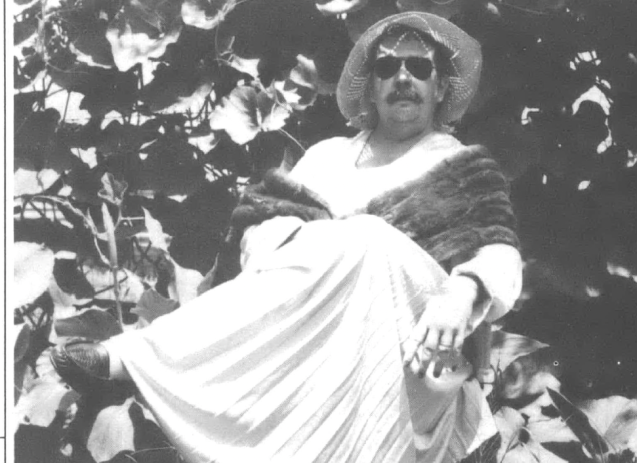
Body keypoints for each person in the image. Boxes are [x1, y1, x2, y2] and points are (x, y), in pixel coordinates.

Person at [52, 11, 523, 463]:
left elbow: (501, 253)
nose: (403, 78)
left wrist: (466, 289)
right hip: (310, 358)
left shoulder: (464, 168)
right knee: (345, 242)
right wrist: (321, 254)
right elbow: (262, 234)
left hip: (412, 374)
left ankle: (130, 360)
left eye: (419, 67)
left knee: (366, 237)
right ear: (371, 88)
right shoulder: (327, 158)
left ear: (440, 87)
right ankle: (145, 366)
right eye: (387, 67)